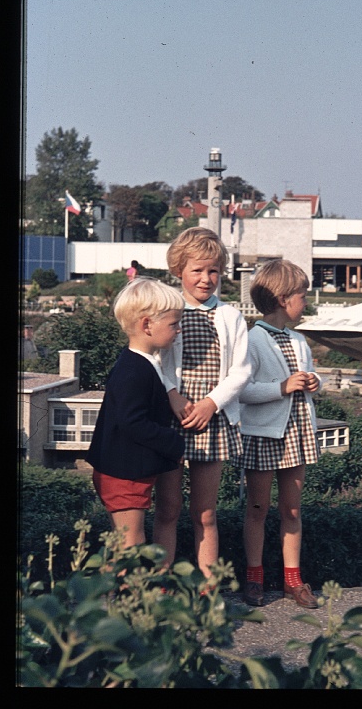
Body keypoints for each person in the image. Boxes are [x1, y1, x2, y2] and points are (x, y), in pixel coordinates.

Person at [157, 227, 251, 580]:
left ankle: (208, 589)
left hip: (212, 419)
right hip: (173, 417)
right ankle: (159, 585)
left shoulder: (230, 316)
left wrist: (211, 403)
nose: (206, 278)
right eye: (197, 270)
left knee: (205, 513)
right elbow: (152, 360)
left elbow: (241, 371)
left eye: (213, 271)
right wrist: (172, 395)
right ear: (178, 270)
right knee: (168, 508)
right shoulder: (167, 310)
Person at [239, 259, 322, 609]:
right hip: (263, 435)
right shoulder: (252, 340)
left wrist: (314, 382)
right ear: (283, 299)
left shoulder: (299, 340)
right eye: (302, 295)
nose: (306, 301)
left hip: (297, 433)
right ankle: (254, 576)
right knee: (258, 507)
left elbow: (311, 376)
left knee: (292, 509)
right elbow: (243, 390)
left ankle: (293, 580)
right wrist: (282, 387)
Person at [86, 277, 185, 563]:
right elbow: (133, 422)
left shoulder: (139, 362)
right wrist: (173, 442)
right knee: (130, 546)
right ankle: (122, 592)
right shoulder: (134, 370)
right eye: (174, 324)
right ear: (147, 325)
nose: (178, 330)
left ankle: (113, 589)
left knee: (125, 544)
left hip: (122, 470)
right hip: (123, 473)